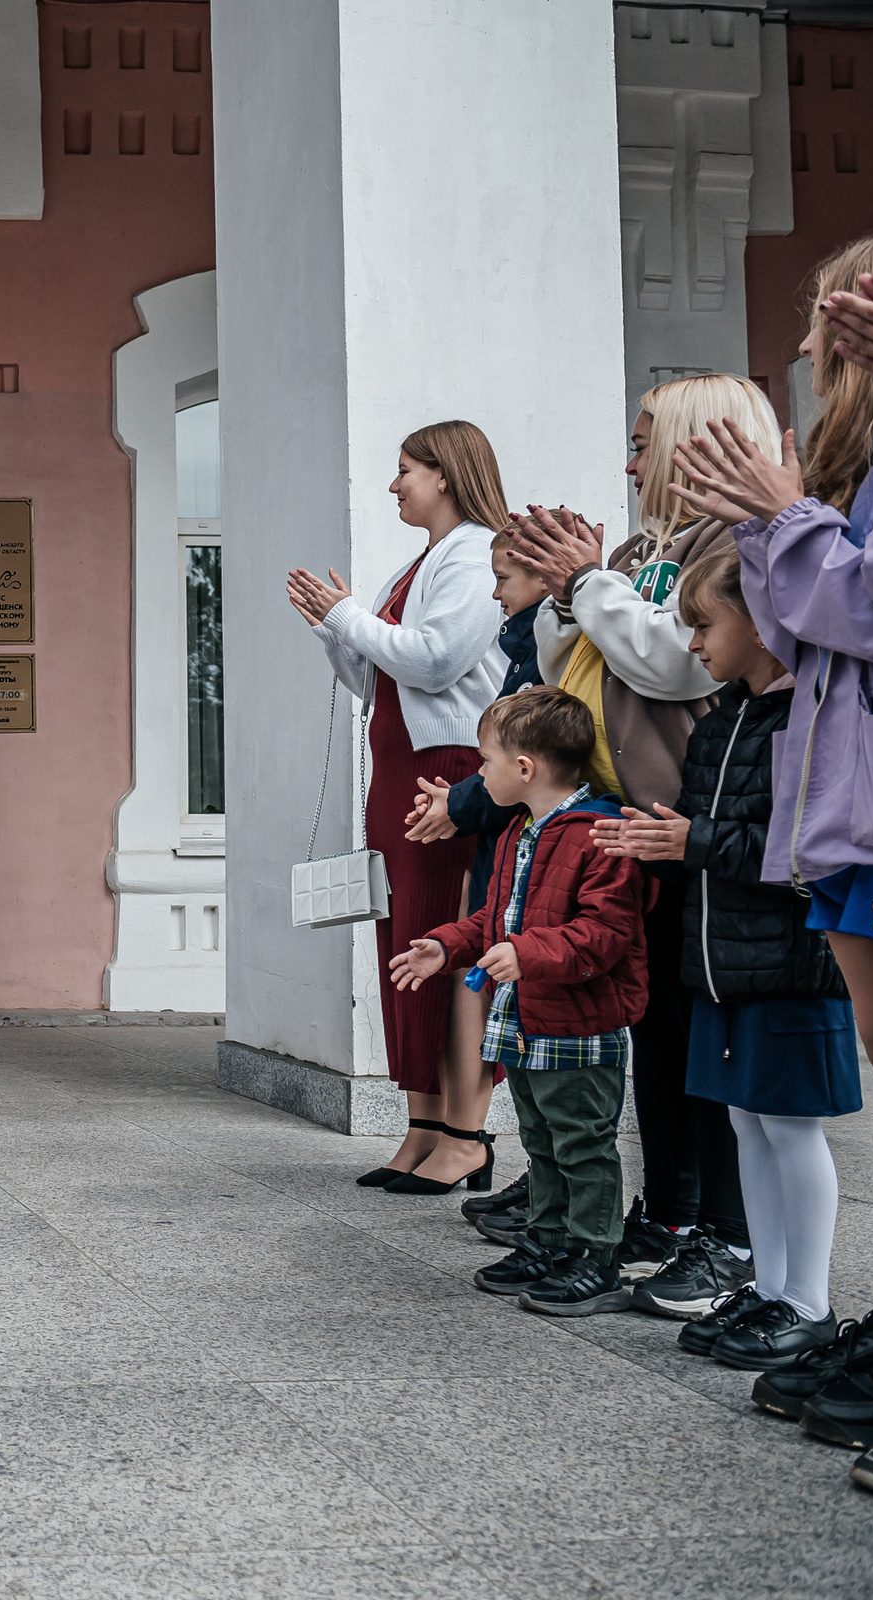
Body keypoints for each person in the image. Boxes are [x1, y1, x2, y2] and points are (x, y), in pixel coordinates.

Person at [672, 224, 873, 1462]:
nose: (817, 353)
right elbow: (802, 624)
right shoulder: (872, 463)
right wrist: (768, 522)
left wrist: (787, 519)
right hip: (853, 816)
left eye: (838, 325)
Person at [508, 376, 783, 1286]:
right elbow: (576, 659)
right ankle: (668, 1209)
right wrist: (568, 595)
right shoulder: (636, 551)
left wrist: (589, 584)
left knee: (697, 1034)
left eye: (642, 444)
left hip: (686, 824)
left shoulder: (733, 543)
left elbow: (673, 665)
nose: (630, 466)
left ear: (694, 443)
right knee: (653, 1032)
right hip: (624, 825)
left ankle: (722, 1230)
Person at [596, 545, 858, 1347]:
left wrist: (694, 841)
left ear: (765, 622)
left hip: (789, 965)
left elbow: (809, 850)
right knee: (748, 1123)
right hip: (722, 966)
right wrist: (663, 844)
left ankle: (807, 1305)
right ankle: (767, 1289)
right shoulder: (721, 720)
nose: (694, 643)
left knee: (789, 1127)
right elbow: (711, 838)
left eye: (705, 625)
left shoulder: (811, 715)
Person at [289, 422, 509, 1191]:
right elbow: (378, 678)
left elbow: (437, 661)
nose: (394, 484)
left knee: (442, 942)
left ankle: (464, 1137)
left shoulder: (476, 554)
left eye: (406, 469)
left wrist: (350, 617)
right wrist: (335, 630)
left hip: (444, 773)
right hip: (399, 774)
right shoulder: (418, 564)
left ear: (445, 474)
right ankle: (422, 1126)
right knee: (404, 945)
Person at [394, 688, 648, 1317]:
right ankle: (549, 1243)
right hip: (526, 1023)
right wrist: (446, 946)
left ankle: (595, 1259)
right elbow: (494, 919)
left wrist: (527, 954)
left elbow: (605, 934)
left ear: (525, 767)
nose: (480, 775)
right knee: (541, 1140)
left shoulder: (598, 835)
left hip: (578, 1030)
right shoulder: (518, 832)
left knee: (582, 1145)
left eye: (486, 762)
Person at [403, 524, 547, 1235]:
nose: (494, 595)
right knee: (481, 982)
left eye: (504, 580)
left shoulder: (550, 645)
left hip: (525, 838)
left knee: (507, 996)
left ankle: (472, 1138)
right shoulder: (526, 644)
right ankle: (478, 1144)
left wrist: (461, 802)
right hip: (504, 834)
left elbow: (535, 756)